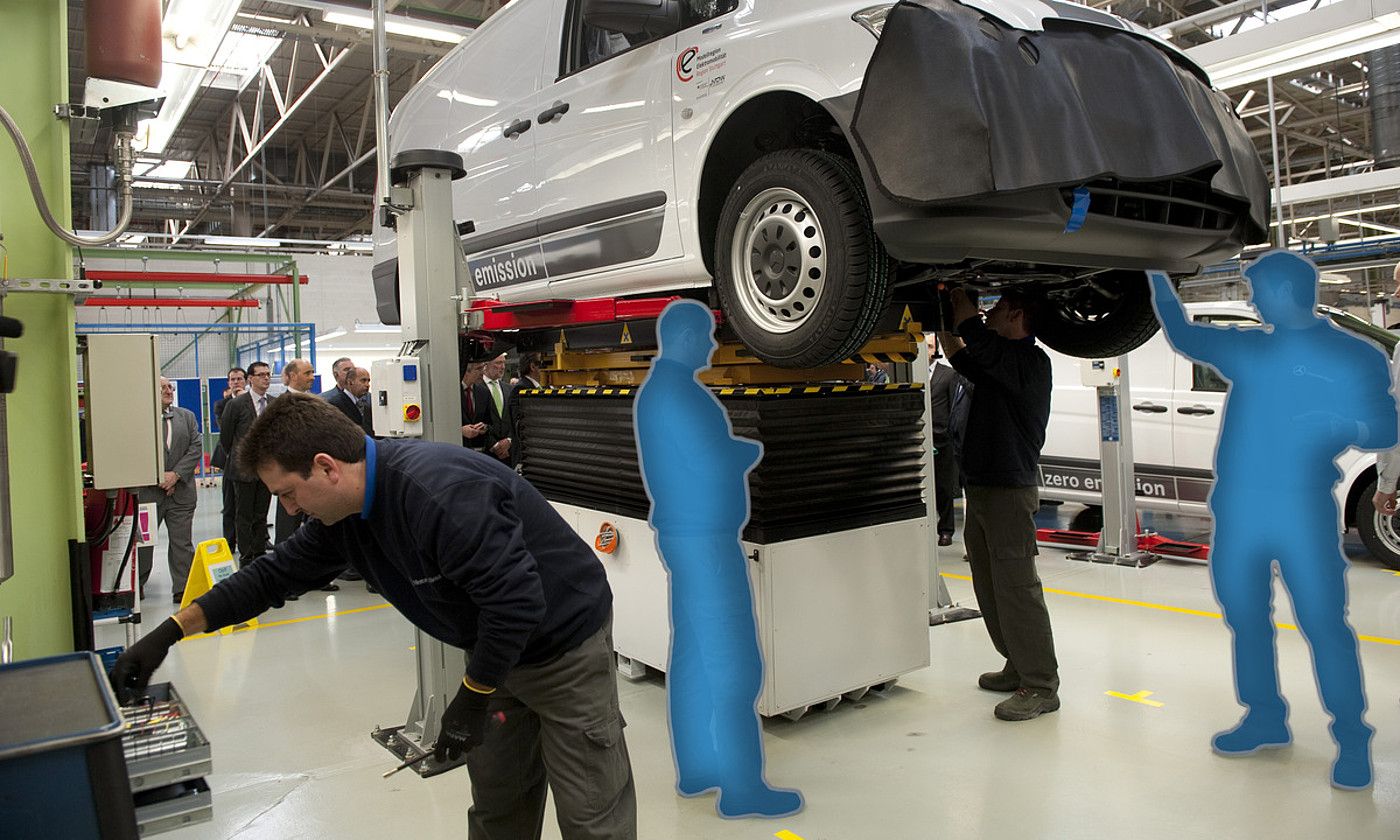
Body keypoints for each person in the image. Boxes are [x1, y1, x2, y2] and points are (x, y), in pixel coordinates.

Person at [109, 392, 637, 839]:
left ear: (325, 467)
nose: (288, 511)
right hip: (494, 651)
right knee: (498, 809)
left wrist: (472, 697)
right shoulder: (345, 515)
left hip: (561, 646)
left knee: (591, 814)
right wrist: (169, 632)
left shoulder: (441, 495)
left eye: (288, 495)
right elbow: (270, 578)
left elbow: (517, 603)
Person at [1152, 251, 1398, 790]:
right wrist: (1154, 271)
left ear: (1285, 292)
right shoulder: (1251, 350)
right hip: (1239, 505)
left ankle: (1352, 737)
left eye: (1257, 291)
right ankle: (1265, 716)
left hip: (1302, 506)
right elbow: (1183, 333)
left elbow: (1385, 425)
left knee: (1324, 624)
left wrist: (1339, 421)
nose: (1252, 301)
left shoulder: (1352, 357)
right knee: (1245, 616)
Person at [635, 301, 803, 818]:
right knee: (733, 661)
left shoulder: (660, 392)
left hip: (685, 536)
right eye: (705, 335)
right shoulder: (681, 396)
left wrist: (727, 453)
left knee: (693, 657)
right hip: (706, 540)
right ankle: (741, 785)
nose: (711, 345)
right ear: (683, 338)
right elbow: (710, 461)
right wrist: (742, 454)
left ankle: (699, 767)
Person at [936, 287, 1059, 722]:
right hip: (982, 489)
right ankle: (1016, 663)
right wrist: (947, 319)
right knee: (990, 586)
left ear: (1018, 316)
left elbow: (979, 343)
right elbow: (964, 358)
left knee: (1017, 588)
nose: (990, 312)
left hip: (1010, 491)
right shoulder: (999, 363)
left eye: (999, 308)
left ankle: (1041, 684)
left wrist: (965, 307)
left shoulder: (1029, 361)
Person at [138, 376, 202, 603]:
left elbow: (195, 448)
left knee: (182, 542)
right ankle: (138, 584)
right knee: (143, 542)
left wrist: (175, 476)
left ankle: (183, 587)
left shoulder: (187, 417)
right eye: (163, 387)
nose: (169, 390)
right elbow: (136, 450)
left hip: (182, 491)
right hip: (148, 492)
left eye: (170, 387)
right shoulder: (139, 419)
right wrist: (158, 476)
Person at [220, 361, 274, 567]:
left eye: (268, 374)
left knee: (261, 513)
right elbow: (226, 439)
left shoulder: (273, 403)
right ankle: (246, 555)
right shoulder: (236, 405)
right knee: (243, 514)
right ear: (250, 379)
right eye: (261, 375)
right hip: (243, 470)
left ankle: (260, 551)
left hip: (266, 470)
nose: (266, 378)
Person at [928, 336, 972, 546]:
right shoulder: (912, 372)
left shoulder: (948, 374)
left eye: (929, 346)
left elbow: (954, 405)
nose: (925, 351)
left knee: (944, 488)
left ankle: (946, 530)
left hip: (942, 440)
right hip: (922, 438)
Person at [212, 366, 246, 554]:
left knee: (250, 505)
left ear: (246, 381)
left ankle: (254, 541)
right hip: (230, 460)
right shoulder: (222, 405)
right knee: (230, 503)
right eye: (232, 380)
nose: (236, 383)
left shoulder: (254, 403)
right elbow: (226, 429)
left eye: (239, 379)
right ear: (228, 383)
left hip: (249, 461)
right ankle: (229, 542)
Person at [507, 353, 544, 468]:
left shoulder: (539, 388)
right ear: (533, 367)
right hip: (525, 457)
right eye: (543, 364)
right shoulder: (521, 389)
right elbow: (520, 428)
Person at [482, 352, 513, 464]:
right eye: (498, 363)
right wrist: (494, 445)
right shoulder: (478, 389)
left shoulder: (509, 390)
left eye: (504, 363)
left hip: (508, 454)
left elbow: (514, 417)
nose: (503, 367)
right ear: (486, 365)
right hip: (486, 453)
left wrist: (509, 440)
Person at [327, 366, 374, 435]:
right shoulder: (335, 404)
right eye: (363, 381)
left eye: (368, 381)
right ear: (350, 382)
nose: (367, 385)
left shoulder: (368, 403)